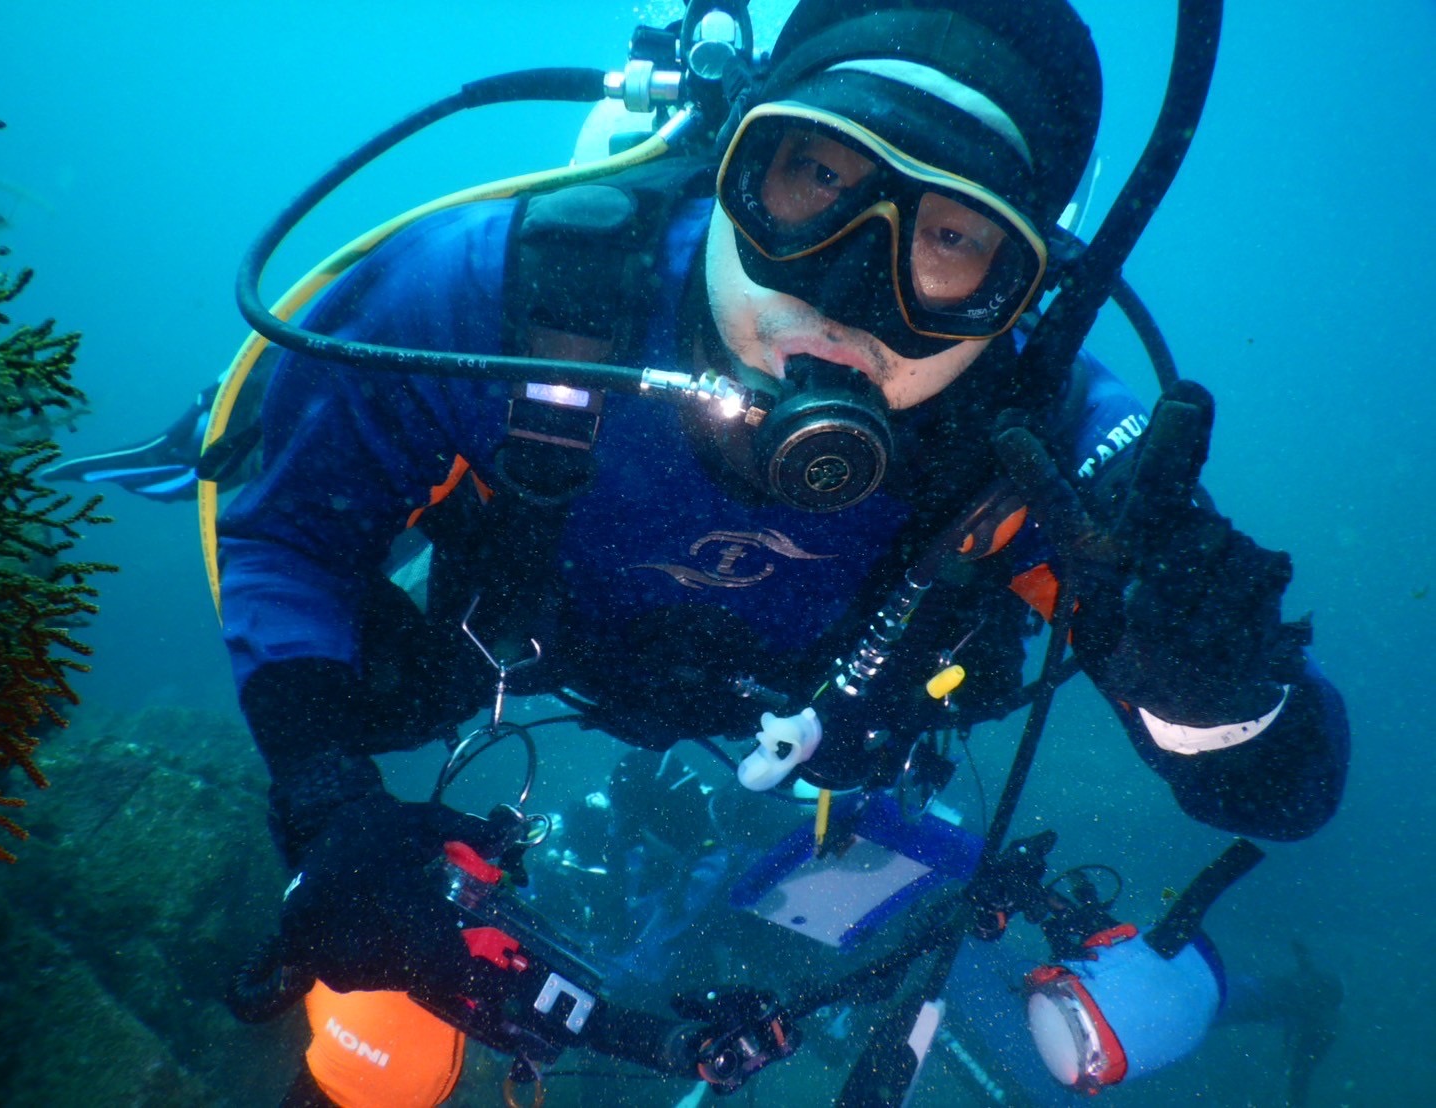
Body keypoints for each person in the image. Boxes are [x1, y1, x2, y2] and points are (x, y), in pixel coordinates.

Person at [208, 0, 1349, 1103]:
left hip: (836, 739)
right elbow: (288, 532)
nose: (846, 299)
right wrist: (325, 800)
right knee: (373, 701)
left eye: (950, 239)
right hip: (521, 634)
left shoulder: (1053, 455)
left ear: (1022, 293)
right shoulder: (498, 294)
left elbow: (1287, 791)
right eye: (816, 179)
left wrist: (1214, 696)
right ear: (732, 166)